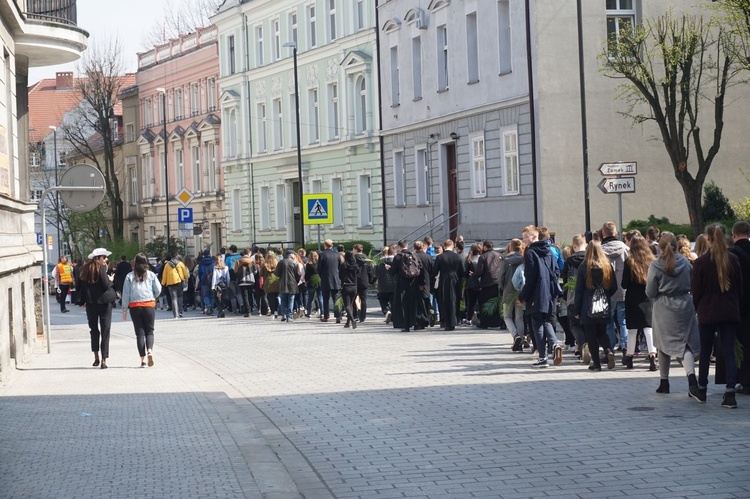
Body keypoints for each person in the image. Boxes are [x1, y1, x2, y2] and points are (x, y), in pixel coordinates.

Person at [692, 223, 743, 408]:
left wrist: (698, 307)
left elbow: (696, 291)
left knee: (705, 351)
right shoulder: (733, 260)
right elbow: (739, 288)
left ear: (708, 238)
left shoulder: (701, 262)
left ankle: (702, 389)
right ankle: (730, 393)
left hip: (707, 310)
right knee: (728, 352)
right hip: (729, 310)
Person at [646, 232, 701, 397]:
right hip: (685, 304)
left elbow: (650, 291)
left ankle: (664, 382)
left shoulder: (655, 266)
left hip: (663, 306)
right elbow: (693, 283)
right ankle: (691, 379)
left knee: (662, 343)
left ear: (660, 248)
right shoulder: (686, 263)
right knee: (686, 343)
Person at [519, 226, 563, 368]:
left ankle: (543, 357)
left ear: (534, 237)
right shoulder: (549, 251)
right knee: (547, 321)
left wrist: (522, 296)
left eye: (526, 237)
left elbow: (530, 278)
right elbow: (556, 271)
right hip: (550, 293)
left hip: (537, 294)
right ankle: (555, 343)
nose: (524, 241)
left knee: (537, 322)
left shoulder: (531, 252)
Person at [572, 242, 618, 371]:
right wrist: (606, 296)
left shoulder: (584, 266)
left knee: (591, 335)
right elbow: (614, 286)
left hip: (588, 305)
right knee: (602, 332)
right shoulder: (607, 265)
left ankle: (597, 364)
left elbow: (579, 290)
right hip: (603, 304)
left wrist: (576, 309)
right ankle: (608, 350)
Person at [621, 235, 657, 371]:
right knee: (648, 328)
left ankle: (629, 357)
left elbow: (624, 284)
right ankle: (652, 356)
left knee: (632, 330)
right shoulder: (652, 261)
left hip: (633, 298)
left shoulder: (629, 262)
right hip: (648, 297)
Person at [77, 248, 116, 369]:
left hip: (91, 304)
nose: (106, 259)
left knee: (94, 330)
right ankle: (104, 360)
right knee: (105, 331)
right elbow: (105, 285)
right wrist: (111, 280)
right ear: (97, 258)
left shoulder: (84, 270)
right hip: (104, 304)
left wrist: (82, 300)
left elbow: (79, 287)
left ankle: (96, 357)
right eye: (104, 257)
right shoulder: (102, 269)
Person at [121, 253, 161, 367]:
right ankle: (150, 350)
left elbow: (126, 293)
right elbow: (158, 289)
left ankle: (142, 360)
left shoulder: (129, 276)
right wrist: (153, 296)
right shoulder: (151, 275)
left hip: (135, 306)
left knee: (140, 333)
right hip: (149, 304)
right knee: (150, 331)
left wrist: (124, 309)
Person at [600, 221, 630, 355]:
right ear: (616, 233)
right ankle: (626, 346)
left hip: (607, 290)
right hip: (623, 289)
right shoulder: (625, 249)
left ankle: (610, 348)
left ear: (603, 234)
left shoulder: (600, 250)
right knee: (623, 320)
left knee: (608, 322)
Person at [729, 221, 750, 395]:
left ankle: (745, 381)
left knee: (743, 345)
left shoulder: (732, 254)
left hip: (740, 306)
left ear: (733, 235)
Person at [561, 235, 588, 361]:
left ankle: (582, 345)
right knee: (587, 324)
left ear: (574, 246)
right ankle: (581, 347)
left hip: (572, 296)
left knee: (575, 325)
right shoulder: (590, 260)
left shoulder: (569, 262)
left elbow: (564, 281)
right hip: (588, 297)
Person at [432, 239, 464, 331]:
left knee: (444, 300)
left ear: (444, 246)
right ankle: (454, 321)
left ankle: (446, 322)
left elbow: (434, 272)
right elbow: (462, 271)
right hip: (455, 280)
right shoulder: (457, 257)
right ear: (453, 246)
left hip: (444, 279)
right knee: (454, 300)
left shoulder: (440, 257)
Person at [390, 240, 421, 332]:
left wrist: (389, 268)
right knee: (414, 303)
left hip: (402, 283)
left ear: (399, 247)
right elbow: (420, 268)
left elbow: (393, 271)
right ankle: (415, 323)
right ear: (407, 246)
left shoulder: (398, 257)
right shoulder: (414, 255)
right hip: (414, 283)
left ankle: (405, 325)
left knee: (404, 304)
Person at [500, 239, 525, 350]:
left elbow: (501, 277)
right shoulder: (524, 259)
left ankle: (515, 335)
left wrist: (503, 287)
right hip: (520, 291)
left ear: (510, 247)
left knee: (507, 316)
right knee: (519, 318)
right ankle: (521, 340)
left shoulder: (506, 260)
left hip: (508, 291)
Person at [474, 240, 503, 329]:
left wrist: (473, 275)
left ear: (485, 247)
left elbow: (479, 271)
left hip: (487, 283)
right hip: (498, 282)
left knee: (486, 304)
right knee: (498, 304)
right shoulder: (500, 255)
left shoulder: (483, 257)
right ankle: (499, 322)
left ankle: (485, 323)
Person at [318, 239, 342, 323]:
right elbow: (340, 267)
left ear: (325, 245)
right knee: (336, 299)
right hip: (336, 279)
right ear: (332, 245)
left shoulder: (322, 255)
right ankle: (338, 316)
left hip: (325, 279)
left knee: (325, 299)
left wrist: (322, 276)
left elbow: (319, 268)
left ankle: (326, 316)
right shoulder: (337, 255)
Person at [275, 249, 301, 322]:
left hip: (283, 283)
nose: (294, 255)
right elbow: (298, 274)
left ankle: (283, 314)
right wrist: (296, 281)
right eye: (293, 254)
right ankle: (289, 316)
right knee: (291, 300)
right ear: (290, 254)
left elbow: (276, 273)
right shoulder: (295, 263)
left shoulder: (280, 262)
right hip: (292, 284)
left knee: (283, 299)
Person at [161, 251, 188, 319]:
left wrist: (163, 283)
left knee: (174, 299)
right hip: (179, 281)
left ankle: (175, 314)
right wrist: (186, 280)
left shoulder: (167, 265)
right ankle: (180, 312)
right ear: (176, 256)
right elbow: (185, 273)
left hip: (170, 283)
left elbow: (164, 275)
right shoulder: (181, 263)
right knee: (180, 297)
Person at [374, 247, 397, 322]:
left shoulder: (379, 262)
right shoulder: (395, 261)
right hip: (393, 284)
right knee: (393, 301)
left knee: (382, 299)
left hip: (382, 285)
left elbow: (376, 274)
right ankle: (394, 317)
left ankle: (386, 311)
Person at [352, 244, 374, 323]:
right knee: (364, 300)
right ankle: (363, 317)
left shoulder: (353, 259)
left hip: (355, 281)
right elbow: (371, 272)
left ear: (355, 250)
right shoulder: (367, 260)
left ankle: (355, 315)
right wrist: (371, 281)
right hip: (364, 281)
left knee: (353, 299)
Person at [339, 250, 360, 329]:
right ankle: (347, 323)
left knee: (347, 305)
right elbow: (357, 274)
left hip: (346, 286)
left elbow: (340, 276)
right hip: (354, 286)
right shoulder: (355, 266)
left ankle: (352, 320)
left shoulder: (344, 265)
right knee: (351, 304)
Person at [464, 243, 482, 325]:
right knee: (481, 301)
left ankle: (469, 318)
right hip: (481, 283)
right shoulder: (482, 258)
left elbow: (465, 272)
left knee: (471, 302)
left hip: (471, 283)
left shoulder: (469, 259)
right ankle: (480, 317)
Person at [235, 249, 255, 317]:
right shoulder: (252, 260)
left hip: (242, 280)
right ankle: (251, 308)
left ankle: (248, 311)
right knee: (250, 295)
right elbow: (255, 271)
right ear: (249, 253)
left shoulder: (238, 260)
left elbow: (235, 271)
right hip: (251, 280)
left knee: (245, 296)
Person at [262, 253, 280, 318]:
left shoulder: (265, 264)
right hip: (276, 281)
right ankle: (276, 310)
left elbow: (261, 274)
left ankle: (272, 311)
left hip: (268, 281)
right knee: (277, 296)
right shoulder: (277, 263)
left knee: (270, 297)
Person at [305, 251, 323, 318]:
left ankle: (309, 313)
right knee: (320, 297)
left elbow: (307, 275)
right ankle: (322, 312)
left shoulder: (309, 264)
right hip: (319, 281)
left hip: (311, 282)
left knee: (310, 298)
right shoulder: (319, 263)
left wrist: (306, 280)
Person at [197, 249, 215, 315]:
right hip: (212, 280)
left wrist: (201, 280)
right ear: (209, 254)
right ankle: (212, 310)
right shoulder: (213, 262)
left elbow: (199, 272)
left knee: (205, 295)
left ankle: (208, 304)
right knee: (212, 296)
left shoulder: (201, 263)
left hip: (204, 281)